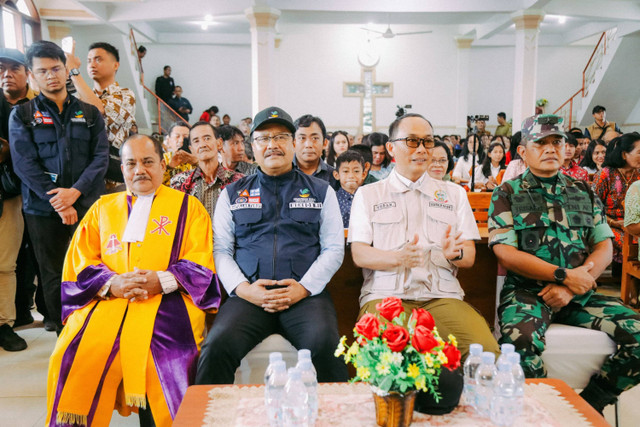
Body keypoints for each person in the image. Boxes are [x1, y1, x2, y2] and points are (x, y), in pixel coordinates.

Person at [46, 134, 220, 426]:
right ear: (123, 170)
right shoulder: (102, 209)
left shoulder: (189, 208)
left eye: (148, 162)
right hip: (108, 302)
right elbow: (79, 262)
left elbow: (200, 262)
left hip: (169, 301)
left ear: (163, 165)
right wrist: (111, 284)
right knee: (73, 350)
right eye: (131, 163)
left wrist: (161, 281)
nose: (139, 170)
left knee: (170, 354)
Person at [488, 114, 640, 414]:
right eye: (540, 142)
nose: (550, 148)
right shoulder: (507, 192)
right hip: (527, 292)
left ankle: (587, 406)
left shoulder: (582, 190)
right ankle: (545, 412)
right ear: (523, 151)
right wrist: (563, 276)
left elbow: (604, 246)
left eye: (556, 142)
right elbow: (506, 253)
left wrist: (572, 286)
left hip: (580, 293)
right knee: (519, 344)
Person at [196, 106, 347, 384]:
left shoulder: (321, 191)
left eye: (280, 137)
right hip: (249, 297)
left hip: (306, 296)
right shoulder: (233, 194)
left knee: (327, 347)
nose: (272, 145)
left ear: (293, 143)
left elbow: (334, 248)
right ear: (253, 147)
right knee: (215, 347)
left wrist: (304, 288)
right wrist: (244, 290)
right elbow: (220, 250)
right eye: (264, 138)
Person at [349, 113, 499, 361]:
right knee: (384, 358)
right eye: (411, 141)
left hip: (441, 296)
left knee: (485, 353)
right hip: (387, 296)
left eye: (427, 142)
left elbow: (469, 255)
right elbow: (359, 253)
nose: (421, 149)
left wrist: (456, 254)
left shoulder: (453, 194)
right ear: (391, 148)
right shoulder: (369, 195)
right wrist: (398, 258)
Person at [9, 41, 109, 334]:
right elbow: (24, 164)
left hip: (88, 204)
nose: (51, 75)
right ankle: (66, 332)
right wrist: (58, 201)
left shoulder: (90, 114)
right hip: (42, 209)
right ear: (32, 75)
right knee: (52, 272)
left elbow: (100, 159)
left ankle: (95, 325)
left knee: (92, 267)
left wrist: (75, 193)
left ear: (66, 70)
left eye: (56, 68)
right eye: (43, 70)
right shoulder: (23, 115)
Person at [66, 41, 136, 185]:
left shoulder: (125, 94)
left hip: (114, 178)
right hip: (85, 177)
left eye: (98, 59)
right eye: (88, 61)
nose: (92, 65)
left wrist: (73, 70)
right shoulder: (79, 97)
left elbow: (98, 111)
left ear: (115, 65)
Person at [171, 122, 244, 218]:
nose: (202, 145)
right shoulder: (179, 182)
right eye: (196, 141)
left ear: (219, 143)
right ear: (191, 149)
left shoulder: (239, 182)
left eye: (207, 138)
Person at [593, 132, 640, 273]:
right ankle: (630, 278)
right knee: (629, 240)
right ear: (625, 154)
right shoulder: (606, 174)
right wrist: (614, 223)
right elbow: (592, 208)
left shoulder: (638, 174)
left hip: (634, 224)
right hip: (607, 223)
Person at [293, 114, 338, 188]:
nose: (308, 145)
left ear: (325, 143)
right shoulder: (281, 173)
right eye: (302, 138)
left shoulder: (334, 176)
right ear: (293, 143)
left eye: (315, 138)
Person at [332, 150, 367, 228]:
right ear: (336, 175)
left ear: (363, 174)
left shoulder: (368, 197)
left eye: (356, 171)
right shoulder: (332, 199)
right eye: (345, 171)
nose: (351, 175)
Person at [162, 121, 196, 185]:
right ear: (168, 140)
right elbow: (154, 184)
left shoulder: (198, 159)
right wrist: (170, 167)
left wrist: (196, 163)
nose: (181, 140)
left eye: (185, 137)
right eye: (177, 136)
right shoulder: (161, 159)